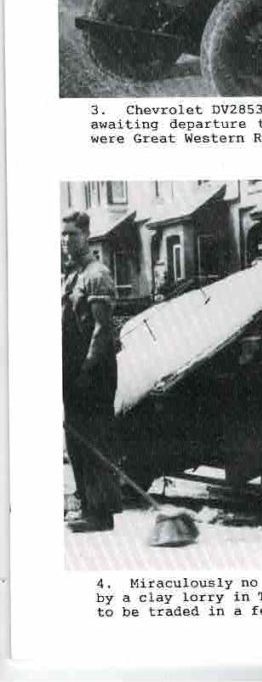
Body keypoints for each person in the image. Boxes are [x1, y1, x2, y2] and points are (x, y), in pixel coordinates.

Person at [62, 212, 121, 532]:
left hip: (94, 372)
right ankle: (87, 504)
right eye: (63, 235)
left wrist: (86, 368)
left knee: (94, 439)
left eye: (72, 234)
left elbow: (102, 329)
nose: (66, 241)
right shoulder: (72, 276)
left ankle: (101, 513)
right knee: (75, 440)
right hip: (73, 372)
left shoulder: (97, 274)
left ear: (86, 234)